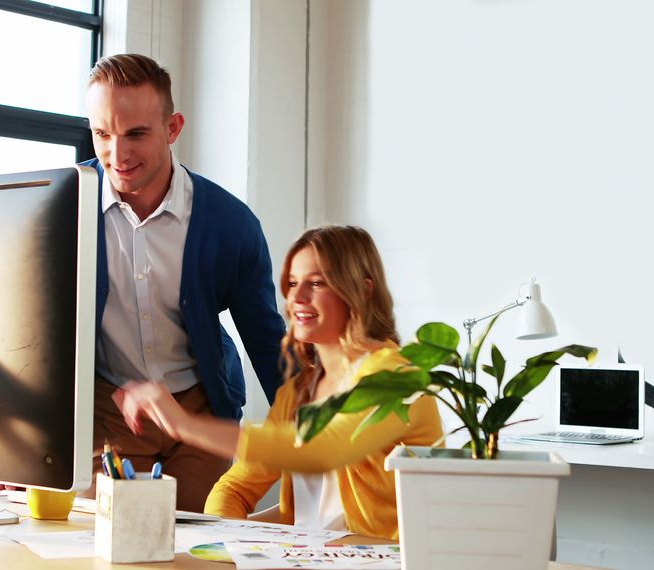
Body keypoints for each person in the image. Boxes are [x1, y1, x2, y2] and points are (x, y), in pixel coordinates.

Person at [117, 225, 443, 539]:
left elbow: (323, 450)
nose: (297, 297)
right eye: (291, 282)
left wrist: (185, 425)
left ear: (363, 290)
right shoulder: (299, 392)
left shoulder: (396, 378)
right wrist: (226, 546)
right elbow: (234, 489)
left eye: (317, 283)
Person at [76, 53, 285, 511]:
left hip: (199, 410)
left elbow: (267, 342)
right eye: (102, 134)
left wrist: (314, 434)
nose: (117, 154)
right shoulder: (65, 208)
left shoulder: (231, 224)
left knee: (193, 548)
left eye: (136, 134)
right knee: (113, 544)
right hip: (108, 409)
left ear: (173, 129)